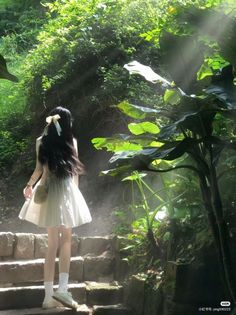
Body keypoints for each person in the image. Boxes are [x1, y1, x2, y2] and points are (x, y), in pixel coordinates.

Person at [19, 106, 92, 310]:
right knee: (66, 239)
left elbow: (39, 169)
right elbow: (74, 173)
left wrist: (28, 186)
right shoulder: (72, 142)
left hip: (48, 189)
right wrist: (74, 196)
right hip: (67, 190)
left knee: (52, 243)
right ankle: (63, 289)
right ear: (68, 123)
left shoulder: (41, 142)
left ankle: (48, 297)